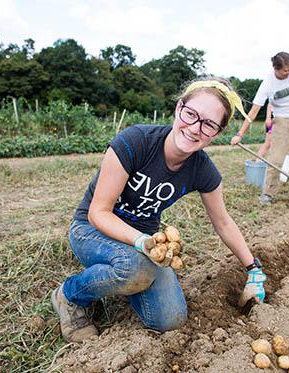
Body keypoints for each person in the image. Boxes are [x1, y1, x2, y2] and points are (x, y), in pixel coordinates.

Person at [52, 77, 267, 343]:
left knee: (170, 319)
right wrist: (141, 242)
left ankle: (123, 280)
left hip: (145, 244)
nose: (195, 128)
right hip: (92, 230)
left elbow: (223, 223)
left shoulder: (203, 170)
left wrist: (253, 269)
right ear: (179, 108)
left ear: (217, 133)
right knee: (133, 268)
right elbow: (99, 212)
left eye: (209, 124)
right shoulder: (136, 142)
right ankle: (71, 296)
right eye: (191, 114)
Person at [231, 52, 289, 205]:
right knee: (276, 158)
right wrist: (240, 134)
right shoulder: (268, 84)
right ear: (275, 68)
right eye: (285, 70)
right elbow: (253, 111)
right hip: (281, 119)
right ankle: (268, 193)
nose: (288, 72)